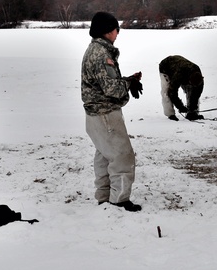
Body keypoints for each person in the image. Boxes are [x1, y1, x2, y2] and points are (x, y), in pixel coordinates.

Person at [81, 11, 144, 212]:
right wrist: (128, 83)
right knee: (122, 156)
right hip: (105, 113)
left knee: (105, 155)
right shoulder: (101, 55)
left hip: (95, 114)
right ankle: (119, 200)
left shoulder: (96, 50)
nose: (118, 33)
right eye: (117, 29)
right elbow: (111, 89)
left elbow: (105, 83)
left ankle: (104, 196)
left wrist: (127, 80)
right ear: (108, 31)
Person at [158, 54, 204, 121]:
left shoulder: (198, 76)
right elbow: (172, 92)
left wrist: (192, 109)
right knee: (166, 91)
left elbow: (196, 94)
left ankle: (192, 113)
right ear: (189, 81)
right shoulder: (179, 75)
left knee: (193, 92)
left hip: (180, 67)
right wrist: (180, 106)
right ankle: (170, 114)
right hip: (166, 67)